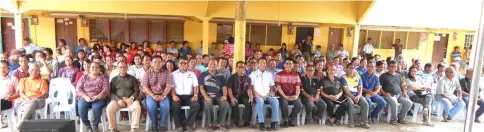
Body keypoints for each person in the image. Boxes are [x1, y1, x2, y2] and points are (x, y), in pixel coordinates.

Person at [106, 62, 141, 132]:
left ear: (127, 68)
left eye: (124, 67)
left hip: (130, 100)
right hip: (118, 101)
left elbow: (137, 91)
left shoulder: (132, 78)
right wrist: (118, 100)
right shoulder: (114, 79)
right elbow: (111, 92)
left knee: (137, 107)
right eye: (120, 67)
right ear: (117, 68)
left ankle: (134, 128)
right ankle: (113, 128)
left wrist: (131, 98)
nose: (122, 68)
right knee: (109, 108)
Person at [142, 56, 173, 132]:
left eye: (159, 62)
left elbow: (168, 85)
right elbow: (145, 86)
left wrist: (163, 96)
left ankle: (162, 125)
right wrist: (153, 95)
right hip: (151, 95)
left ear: (162, 63)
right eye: (155, 62)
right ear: (151, 63)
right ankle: (154, 125)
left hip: (163, 94)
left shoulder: (166, 73)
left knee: (165, 106)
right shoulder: (147, 73)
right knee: (151, 106)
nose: (157, 64)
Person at [76, 62, 109, 132]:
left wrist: (97, 97)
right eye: (93, 67)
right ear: (89, 68)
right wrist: (85, 97)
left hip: (99, 98)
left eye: (97, 67)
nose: (95, 69)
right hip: (86, 97)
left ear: (100, 69)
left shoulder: (103, 78)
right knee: (81, 107)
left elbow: (106, 89)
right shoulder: (84, 77)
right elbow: (78, 88)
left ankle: (95, 125)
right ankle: (87, 125)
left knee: (96, 107)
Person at [199, 59, 230, 131]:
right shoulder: (203, 74)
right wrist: (206, 97)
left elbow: (224, 87)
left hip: (218, 96)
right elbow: (201, 88)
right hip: (207, 96)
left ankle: (221, 123)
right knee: (207, 104)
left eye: (214, 64)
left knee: (225, 104)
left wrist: (225, 95)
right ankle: (211, 124)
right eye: (211, 64)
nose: (212, 65)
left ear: (217, 66)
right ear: (208, 65)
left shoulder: (221, 75)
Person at [170, 58, 200, 131]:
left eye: (185, 63)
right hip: (177, 96)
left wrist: (195, 95)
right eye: (181, 63)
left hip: (189, 96)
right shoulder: (173, 74)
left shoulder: (192, 74)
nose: (183, 64)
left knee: (196, 105)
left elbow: (196, 86)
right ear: (178, 64)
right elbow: (171, 87)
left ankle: (189, 124)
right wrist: (174, 95)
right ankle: (178, 125)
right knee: (175, 105)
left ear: (187, 65)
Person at [250, 58, 280, 131]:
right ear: (258, 64)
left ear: (266, 64)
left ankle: (274, 122)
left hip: (267, 95)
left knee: (275, 101)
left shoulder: (269, 74)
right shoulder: (253, 74)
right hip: (257, 95)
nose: (262, 64)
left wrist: (272, 91)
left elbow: (272, 85)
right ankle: (261, 123)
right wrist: (258, 95)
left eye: (264, 62)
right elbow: (251, 87)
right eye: (261, 62)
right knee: (260, 101)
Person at [16, 64, 48, 130]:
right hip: (25, 100)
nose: (34, 72)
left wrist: (36, 98)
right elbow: (21, 93)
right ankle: (30, 128)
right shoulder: (23, 80)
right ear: (28, 71)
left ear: (39, 72)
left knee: (33, 102)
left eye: (36, 70)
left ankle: (21, 124)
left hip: (39, 101)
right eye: (32, 70)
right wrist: (27, 98)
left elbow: (44, 94)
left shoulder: (43, 81)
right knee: (31, 106)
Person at [380, 60, 413, 125]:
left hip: (399, 95)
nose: (393, 68)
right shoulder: (383, 75)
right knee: (394, 103)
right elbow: (379, 87)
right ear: (388, 67)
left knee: (409, 103)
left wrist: (404, 92)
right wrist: (384, 93)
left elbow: (402, 85)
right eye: (392, 66)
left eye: (395, 66)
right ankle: (393, 119)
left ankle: (401, 118)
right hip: (389, 95)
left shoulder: (398, 75)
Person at [276, 58, 302, 127]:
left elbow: (298, 87)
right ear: (284, 65)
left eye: (290, 64)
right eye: (287, 64)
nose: (288, 65)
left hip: (293, 95)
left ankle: (290, 118)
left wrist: (296, 96)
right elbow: (279, 88)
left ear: (292, 65)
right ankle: (285, 120)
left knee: (299, 105)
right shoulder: (279, 74)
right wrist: (285, 96)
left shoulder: (296, 75)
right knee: (284, 103)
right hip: (283, 95)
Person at [342, 64, 370, 128]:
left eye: (353, 68)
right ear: (346, 69)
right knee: (351, 103)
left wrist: (359, 96)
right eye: (350, 68)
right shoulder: (344, 77)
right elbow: (346, 90)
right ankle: (351, 122)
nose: (352, 69)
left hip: (357, 95)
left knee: (365, 103)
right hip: (348, 95)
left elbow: (360, 88)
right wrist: (353, 97)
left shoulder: (358, 77)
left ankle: (364, 122)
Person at [226, 61, 253, 127]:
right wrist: (232, 98)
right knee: (234, 103)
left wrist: (250, 96)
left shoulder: (248, 78)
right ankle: (236, 122)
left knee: (249, 102)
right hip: (235, 95)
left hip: (244, 95)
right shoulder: (231, 77)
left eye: (243, 67)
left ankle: (246, 122)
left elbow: (249, 89)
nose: (241, 69)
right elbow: (229, 90)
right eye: (239, 67)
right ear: (236, 68)